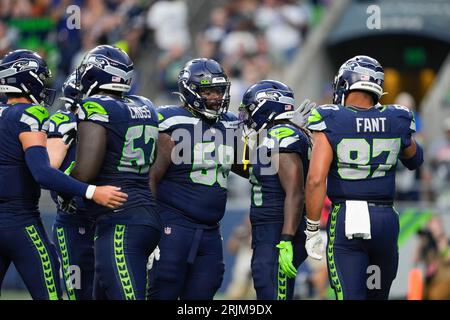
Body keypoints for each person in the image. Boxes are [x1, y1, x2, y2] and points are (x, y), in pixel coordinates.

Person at [0, 49, 127, 300]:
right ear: (26, 79)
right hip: (20, 222)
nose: (45, 85)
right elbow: (43, 173)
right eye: (41, 79)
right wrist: (91, 190)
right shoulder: (29, 114)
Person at [305, 55, 424, 300]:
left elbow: (316, 179)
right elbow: (415, 160)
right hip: (386, 220)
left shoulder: (331, 118)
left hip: (348, 218)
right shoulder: (397, 118)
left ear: (347, 84)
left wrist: (312, 228)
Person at [65, 45, 161, 300]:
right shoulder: (147, 105)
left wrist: (67, 188)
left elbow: (85, 171)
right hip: (146, 215)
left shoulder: (95, 106)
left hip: (119, 221)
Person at [148, 58, 244, 300]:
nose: (215, 97)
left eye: (219, 91)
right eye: (208, 91)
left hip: (210, 231)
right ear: (190, 91)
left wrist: (273, 133)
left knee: (205, 292)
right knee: (164, 290)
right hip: (173, 225)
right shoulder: (171, 121)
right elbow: (151, 178)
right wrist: (147, 229)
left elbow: (247, 166)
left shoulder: (229, 123)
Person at [238, 79, 311, 300]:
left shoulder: (281, 135)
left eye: (250, 110)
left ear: (266, 106)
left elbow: (295, 192)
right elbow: (251, 168)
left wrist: (286, 240)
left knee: (272, 292)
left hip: (277, 233)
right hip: (268, 234)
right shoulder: (275, 136)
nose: (246, 117)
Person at [46, 72, 95, 300]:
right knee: (78, 292)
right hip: (74, 219)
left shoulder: (114, 119)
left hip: (108, 218)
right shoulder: (64, 121)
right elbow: (49, 169)